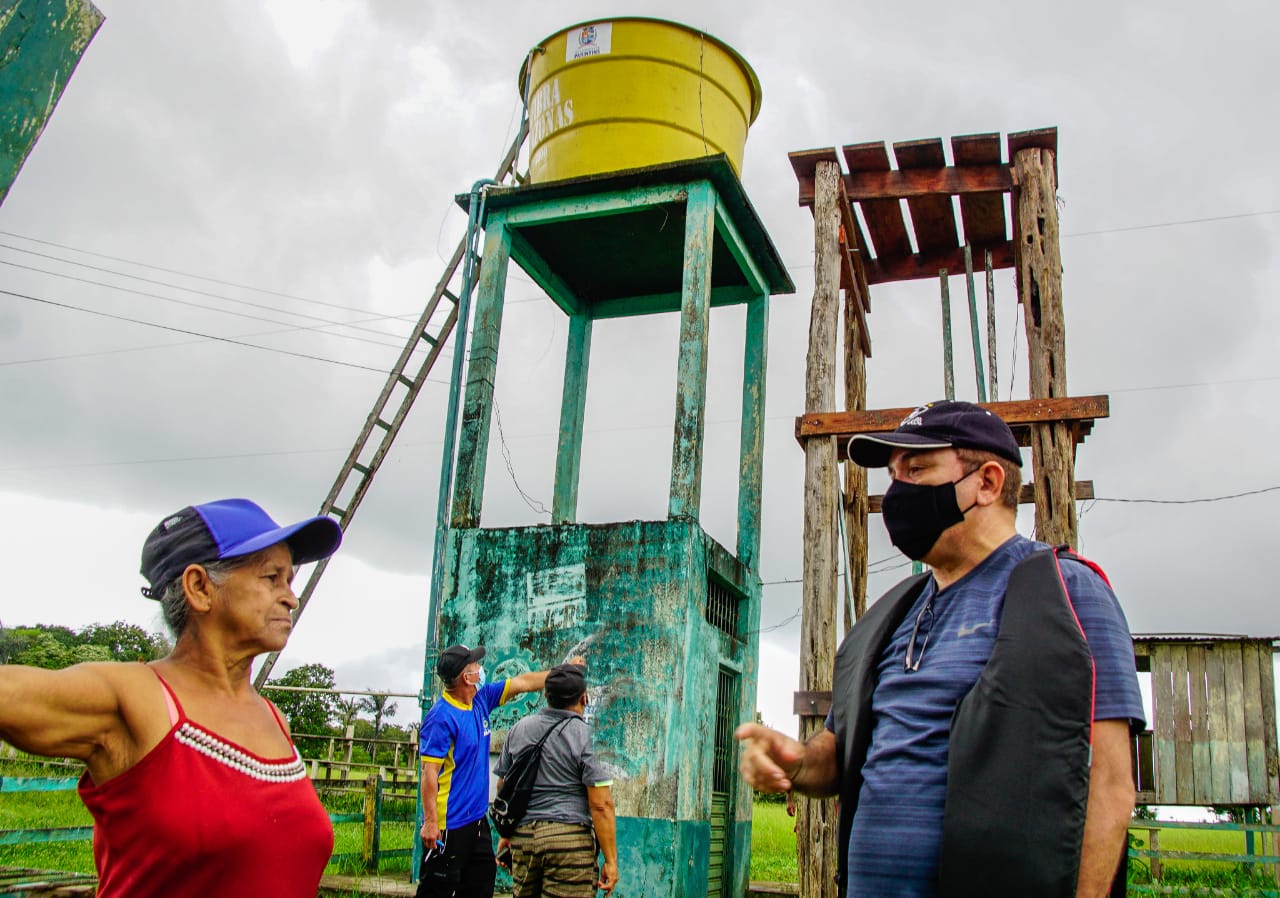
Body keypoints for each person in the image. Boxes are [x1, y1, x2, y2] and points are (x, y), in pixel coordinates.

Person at [736, 400, 1145, 898]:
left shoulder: (1067, 592)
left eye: (917, 469)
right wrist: (797, 762)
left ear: (988, 483)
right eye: (893, 474)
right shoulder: (888, 617)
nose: (897, 491)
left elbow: (1110, 785)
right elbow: (845, 753)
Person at [0, 497, 343, 897]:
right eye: (272, 578)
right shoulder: (136, 699)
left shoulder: (273, 718)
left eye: (290, 582)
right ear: (199, 588)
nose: (290, 598)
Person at [417, 645, 583, 898]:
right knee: (436, 891)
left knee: (481, 886)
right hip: (447, 825)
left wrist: (565, 671)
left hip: (476, 820)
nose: (480, 669)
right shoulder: (441, 717)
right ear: (466, 676)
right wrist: (430, 823)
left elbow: (523, 682)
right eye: (475, 665)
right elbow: (429, 774)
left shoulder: (480, 699)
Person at [494, 662, 618, 898]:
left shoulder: (519, 729)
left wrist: (507, 834)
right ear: (584, 699)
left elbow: (503, 787)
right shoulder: (588, 736)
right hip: (569, 842)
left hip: (524, 840)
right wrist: (610, 861)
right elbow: (601, 805)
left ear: (546, 696)